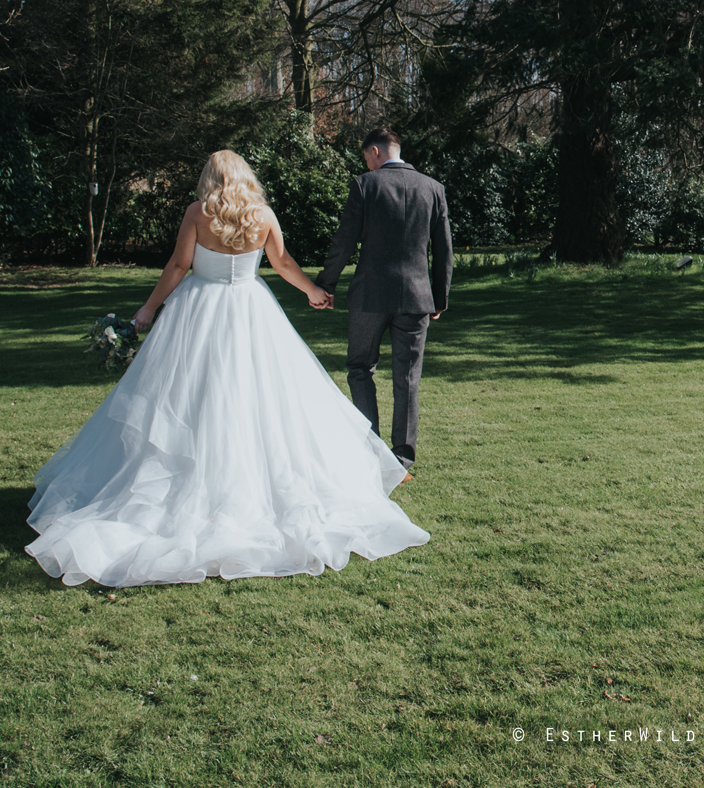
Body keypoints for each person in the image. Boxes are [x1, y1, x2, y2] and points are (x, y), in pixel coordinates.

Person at [25, 150, 428, 587]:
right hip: (250, 309)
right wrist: (312, 291)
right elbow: (283, 263)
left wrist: (148, 308)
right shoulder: (263, 214)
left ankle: (186, 483)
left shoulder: (198, 213)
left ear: (209, 178)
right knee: (256, 398)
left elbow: (179, 265)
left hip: (197, 309)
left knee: (187, 397)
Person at [316, 127, 453, 477]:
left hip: (370, 295)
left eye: (366, 157)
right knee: (407, 378)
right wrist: (440, 297)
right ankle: (402, 461)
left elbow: (344, 241)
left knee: (360, 368)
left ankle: (370, 450)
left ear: (375, 151)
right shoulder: (433, 189)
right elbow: (444, 252)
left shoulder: (366, 185)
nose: (367, 163)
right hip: (417, 296)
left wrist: (325, 284)